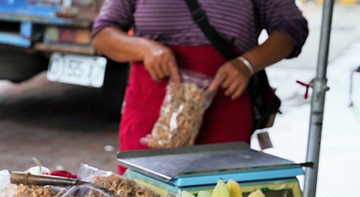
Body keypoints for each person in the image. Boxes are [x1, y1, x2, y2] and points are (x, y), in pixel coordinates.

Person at [92, 0, 309, 153]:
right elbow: (102, 34)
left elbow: (292, 28)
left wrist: (247, 64)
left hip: (224, 114)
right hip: (150, 121)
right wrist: (143, 48)